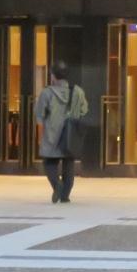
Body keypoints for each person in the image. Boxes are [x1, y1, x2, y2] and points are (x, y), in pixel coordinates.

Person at [34, 60, 89, 203]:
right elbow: (84, 110)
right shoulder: (77, 91)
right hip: (70, 136)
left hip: (51, 135)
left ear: (53, 76)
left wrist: (40, 135)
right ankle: (65, 196)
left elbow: (39, 116)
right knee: (68, 164)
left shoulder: (47, 93)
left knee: (49, 163)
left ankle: (57, 185)